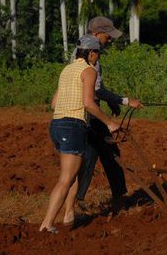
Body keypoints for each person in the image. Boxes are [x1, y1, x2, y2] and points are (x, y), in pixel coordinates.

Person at [40, 36, 120, 233]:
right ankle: (47, 224)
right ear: (91, 53)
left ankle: (69, 216)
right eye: (98, 54)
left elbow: (53, 103)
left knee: (73, 173)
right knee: (66, 178)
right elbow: (88, 103)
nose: (98, 58)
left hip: (56, 125)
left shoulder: (66, 70)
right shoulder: (89, 70)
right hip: (73, 125)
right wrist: (110, 123)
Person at [75, 16, 143, 216]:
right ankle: (117, 197)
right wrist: (124, 100)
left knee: (93, 154)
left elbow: (97, 89)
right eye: (107, 36)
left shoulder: (83, 51)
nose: (110, 40)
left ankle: (81, 198)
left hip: (85, 113)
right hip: (89, 114)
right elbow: (95, 92)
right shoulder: (90, 56)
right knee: (105, 153)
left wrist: (113, 101)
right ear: (96, 35)